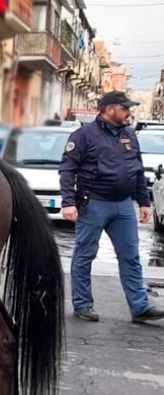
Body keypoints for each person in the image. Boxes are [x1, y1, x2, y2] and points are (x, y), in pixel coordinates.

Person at [59, 90, 164, 323]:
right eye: (125, 108)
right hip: (93, 203)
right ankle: (83, 304)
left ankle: (140, 307)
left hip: (124, 206)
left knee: (130, 256)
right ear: (109, 110)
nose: (129, 112)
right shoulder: (84, 135)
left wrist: (144, 203)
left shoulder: (129, 134)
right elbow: (67, 170)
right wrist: (68, 202)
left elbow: (136, 169)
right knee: (85, 254)